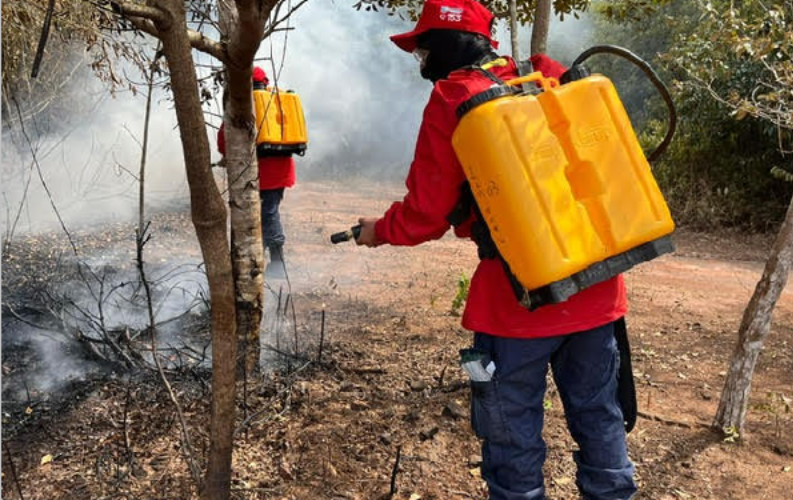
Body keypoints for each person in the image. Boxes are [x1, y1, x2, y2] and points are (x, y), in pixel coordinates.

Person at [354, 1, 637, 499]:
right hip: (598, 287)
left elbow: (426, 213)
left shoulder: (452, 98)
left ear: (445, 45)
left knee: (510, 440)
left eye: (422, 48)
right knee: (600, 419)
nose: (419, 60)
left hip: (515, 306)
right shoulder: (545, 73)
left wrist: (378, 229)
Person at [217, 67, 296, 278]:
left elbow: (224, 140)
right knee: (266, 213)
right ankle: (263, 260)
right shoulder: (277, 99)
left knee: (263, 214)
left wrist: (227, 155)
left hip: (259, 173)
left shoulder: (244, 105)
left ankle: (277, 264)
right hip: (282, 172)